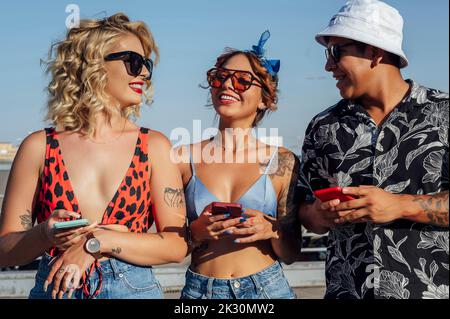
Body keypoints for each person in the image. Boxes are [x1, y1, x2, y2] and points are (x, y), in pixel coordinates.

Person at [0, 13, 187, 299]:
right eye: (134, 62)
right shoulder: (39, 147)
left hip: (132, 290)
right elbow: (5, 251)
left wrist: (97, 242)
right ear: (94, 64)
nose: (145, 74)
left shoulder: (154, 146)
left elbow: (177, 245)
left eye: (147, 65)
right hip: (56, 289)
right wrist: (44, 235)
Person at [298, 0, 449, 299]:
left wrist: (401, 205)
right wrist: (319, 214)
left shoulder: (445, 114)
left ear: (374, 52)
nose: (328, 65)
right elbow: (304, 213)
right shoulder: (323, 126)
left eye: (335, 52)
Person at [175, 31, 302, 299]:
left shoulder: (282, 161)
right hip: (201, 292)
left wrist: (272, 230)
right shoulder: (183, 158)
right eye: (219, 77)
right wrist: (195, 233)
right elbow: (169, 245)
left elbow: (290, 254)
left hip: (267, 291)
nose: (228, 86)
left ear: (266, 99)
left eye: (243, 81)